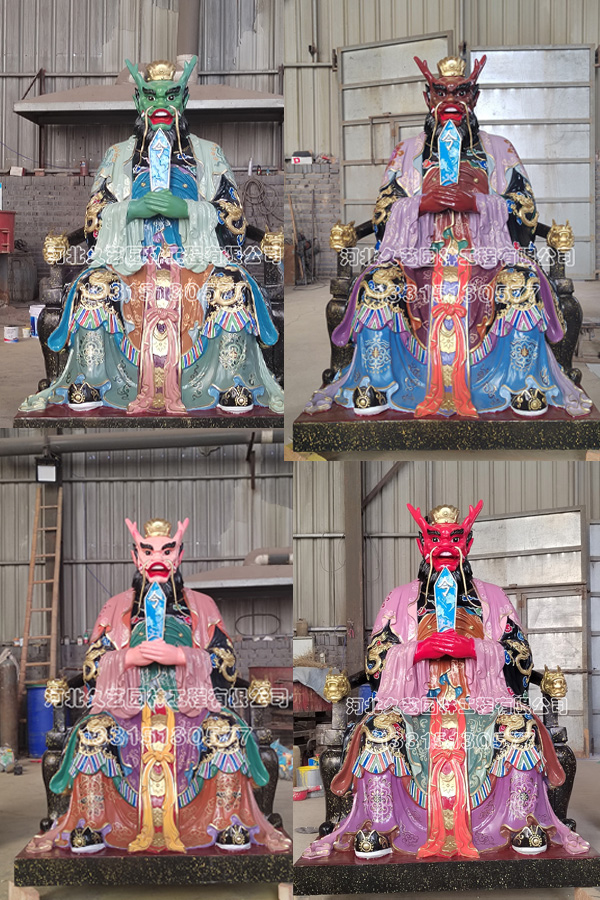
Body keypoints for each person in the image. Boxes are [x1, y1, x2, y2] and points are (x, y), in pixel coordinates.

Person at [305, 55, 591, 419]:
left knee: (521, 286)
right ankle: (379, 381)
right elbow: (382, 213)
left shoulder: (500, 149)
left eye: (461, 92)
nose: (451, 100)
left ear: (475, 97)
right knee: (378, 286)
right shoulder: (407, 152)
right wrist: (420, 204)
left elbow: (526, 210)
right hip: (416, 256)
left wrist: (480, 203)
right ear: (428, 97)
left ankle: (520, 382)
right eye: (441, 92)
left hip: (488, 256)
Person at [302, 502, 589, 860]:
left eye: (455, 538)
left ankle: (520, 821)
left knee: (521, 731)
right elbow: (376, 661)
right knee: (379, 733)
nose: (446, 546)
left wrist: (475, 648)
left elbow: (520, 656)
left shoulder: (493, 597)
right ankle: (380, 825)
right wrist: (417, 651)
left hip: (483, 701)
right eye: (436, 538)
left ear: (468, 544)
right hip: (413, 703)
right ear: (422, 544)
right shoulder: (399, 598)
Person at [20, 57, 283, 416]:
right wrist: (131, 210)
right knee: (94, 290)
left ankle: (228, 380)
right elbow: (94, 220)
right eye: (151, 96)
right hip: (129, 257)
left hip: (196, 257)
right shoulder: (118, 156)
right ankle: (94, 379)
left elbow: (234, 219)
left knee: (231, 290)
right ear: (138, 101)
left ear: (183, 100)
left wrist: (187, 209)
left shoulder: (209, 155)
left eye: (170, 95)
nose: (161, 103)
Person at [26, 517, 290, 855]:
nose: (157, 559)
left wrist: (182, 656)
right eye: (148, 551)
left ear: (179, 555)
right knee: (93, 735)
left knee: (225, 734)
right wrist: (127, 658)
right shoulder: (116, 607)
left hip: (190, 703)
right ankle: (93, 823)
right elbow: (92, 668)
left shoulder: (202, 605)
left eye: (167, 550)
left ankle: (226, 821)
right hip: (126, 705)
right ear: (136, 557)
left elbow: (226, 663)